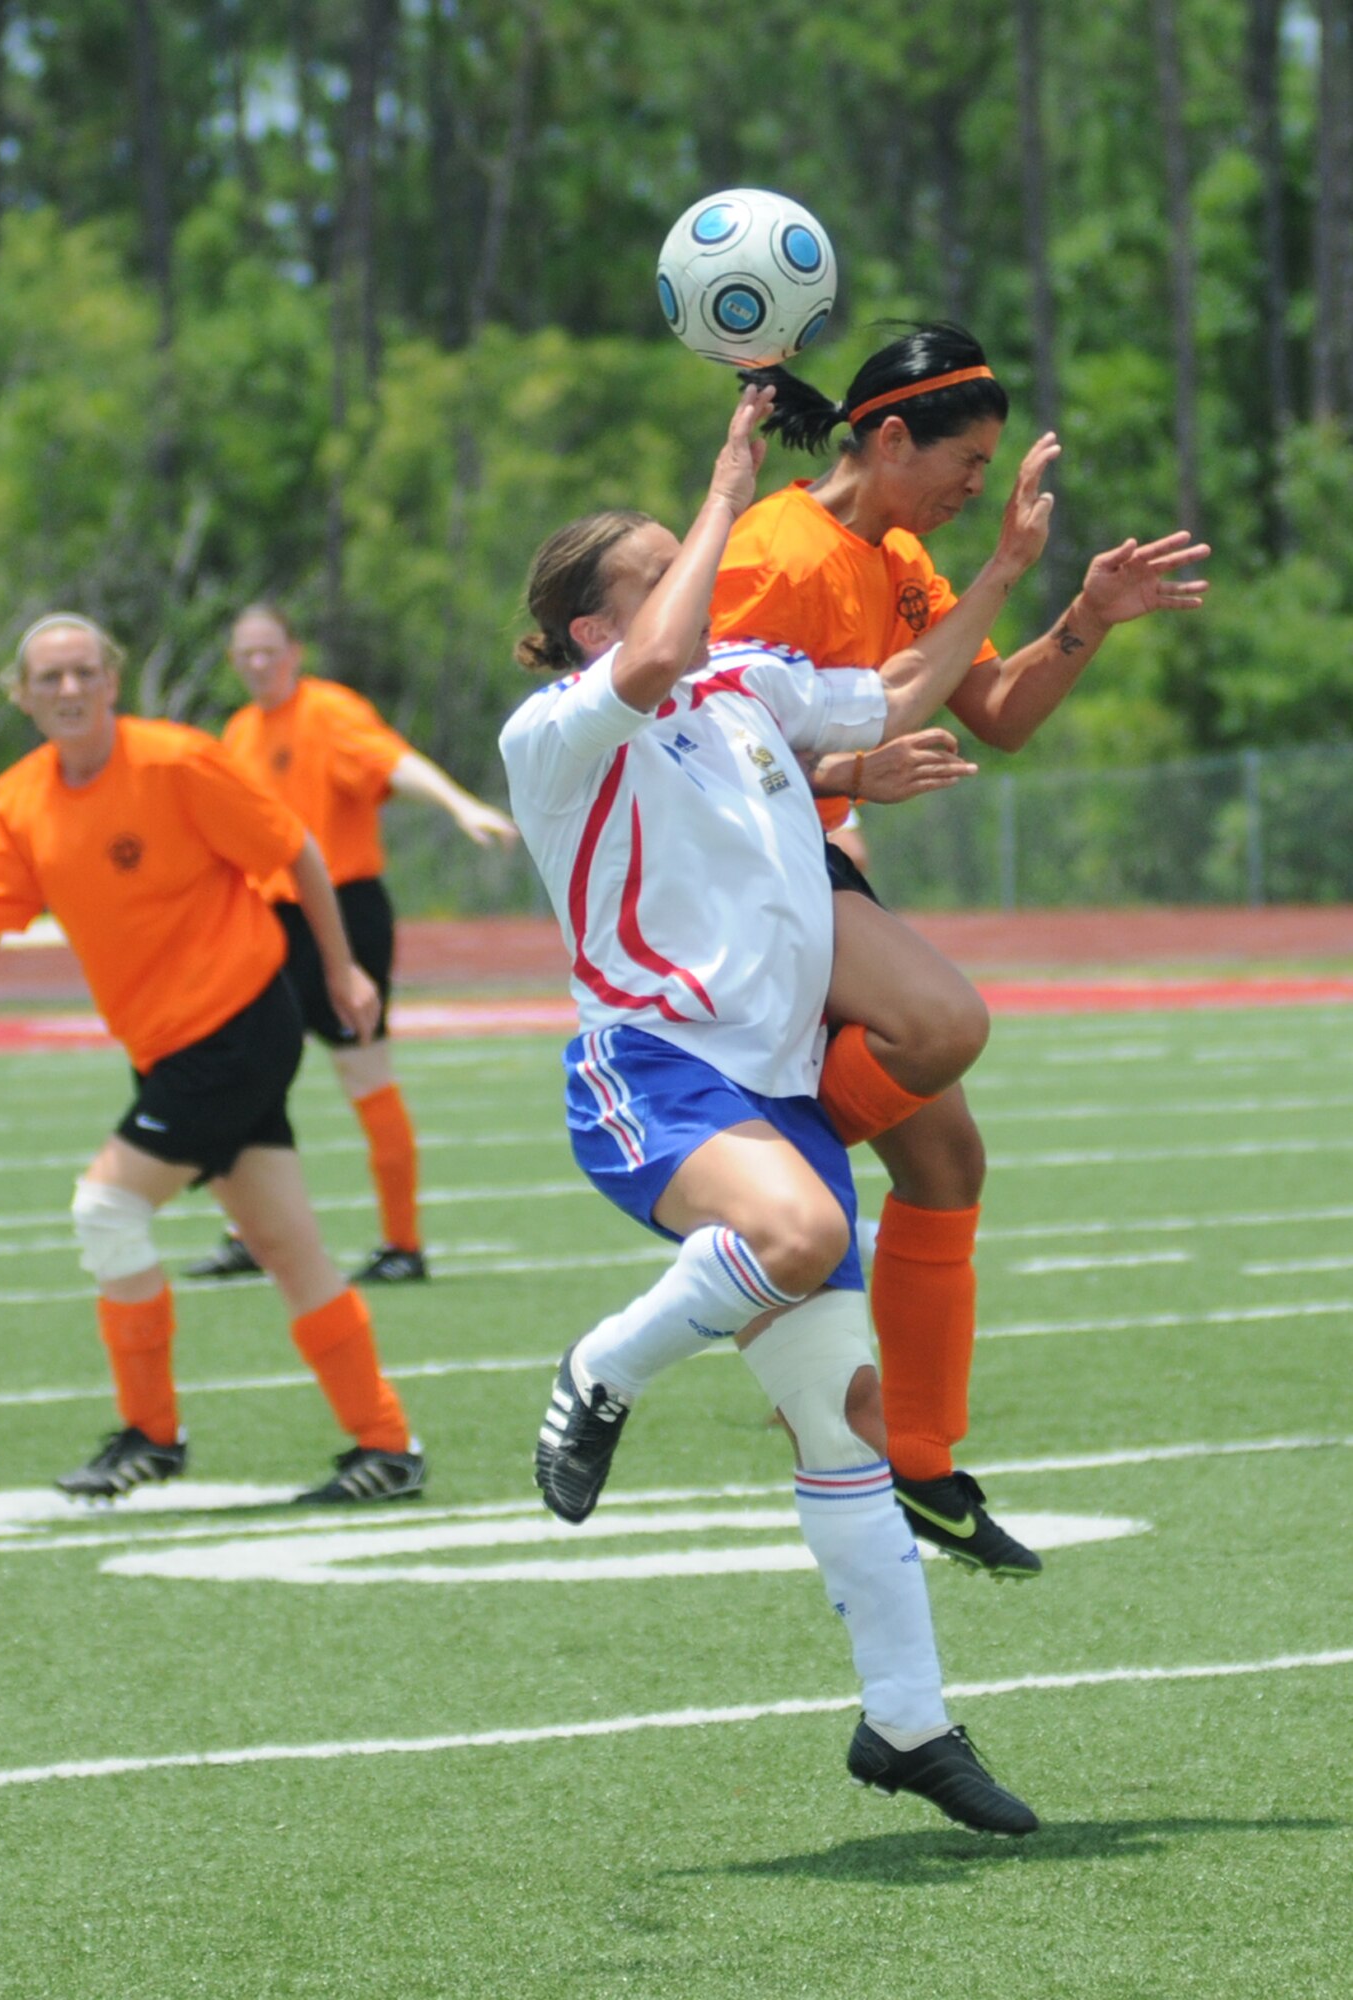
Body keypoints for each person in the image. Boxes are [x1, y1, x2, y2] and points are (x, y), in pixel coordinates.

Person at [499, 385, 1053, 1834]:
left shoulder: (741, 688)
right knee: (800, 1233)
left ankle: (906, 1723)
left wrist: (1002, 572)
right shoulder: (557, 728)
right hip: (653, 1071)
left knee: (844, 1415)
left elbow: (904, 691)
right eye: (662, 572)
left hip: (777, 1087)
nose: (701, 579)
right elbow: (660, 649)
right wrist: (726, 483)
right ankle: (602, 1366)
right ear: (590, 630)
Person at [705, 323, 1210, 1576]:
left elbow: (999, 713)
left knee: (945, 1159)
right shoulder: (773, 551)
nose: (979, 485)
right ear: (889, 438)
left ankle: (921, 1461)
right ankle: (772, 1166)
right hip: (733, 879)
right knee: (942, 1024)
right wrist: (848, 774)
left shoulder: (900, 557)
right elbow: (697, 749)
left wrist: (1085, 616)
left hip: (802, 859)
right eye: (967, 461)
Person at [0, 614, 427, 1505]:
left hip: (238, 1028)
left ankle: (151, 1434)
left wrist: (341, 967)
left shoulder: (176, 762)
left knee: (106, 1208)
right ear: (23, 696)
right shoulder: (17, 801)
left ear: (112, 681)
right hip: (166, 1047)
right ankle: (386, 1446)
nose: (70, 689)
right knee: (286, 1245)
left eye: (85, 671)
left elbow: (296, 851)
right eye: (50, 678)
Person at [185, 603, 519, 1286]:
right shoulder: (240, 730)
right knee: (249, 1071)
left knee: (363, 1071)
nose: (258, 664)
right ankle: (249, 1232)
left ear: (294, 652)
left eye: (269, 650)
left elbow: (394, 762)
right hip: (270, 921)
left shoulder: (327, 712)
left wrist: (458, 803)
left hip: (341, 913)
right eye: (245, 653)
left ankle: (402, 1245)